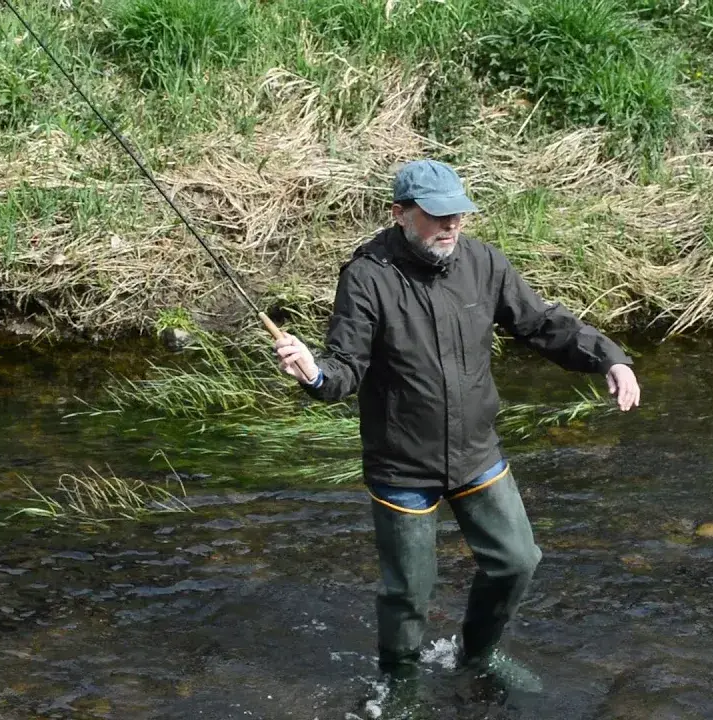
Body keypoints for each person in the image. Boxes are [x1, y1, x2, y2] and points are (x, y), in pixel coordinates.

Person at [273, 159, 640, 703]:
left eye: (459, 215)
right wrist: (313, 371)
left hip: (476, 453)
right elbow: (343, 370)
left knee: (518, 561)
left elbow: (541, 324)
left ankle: (479, 655)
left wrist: (610, 358)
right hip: (403, 465)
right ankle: (399, 683)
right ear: (400, 214)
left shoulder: (483, 263)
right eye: (438, 216)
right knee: (408, 595)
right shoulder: (368, 276)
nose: (451, 226)